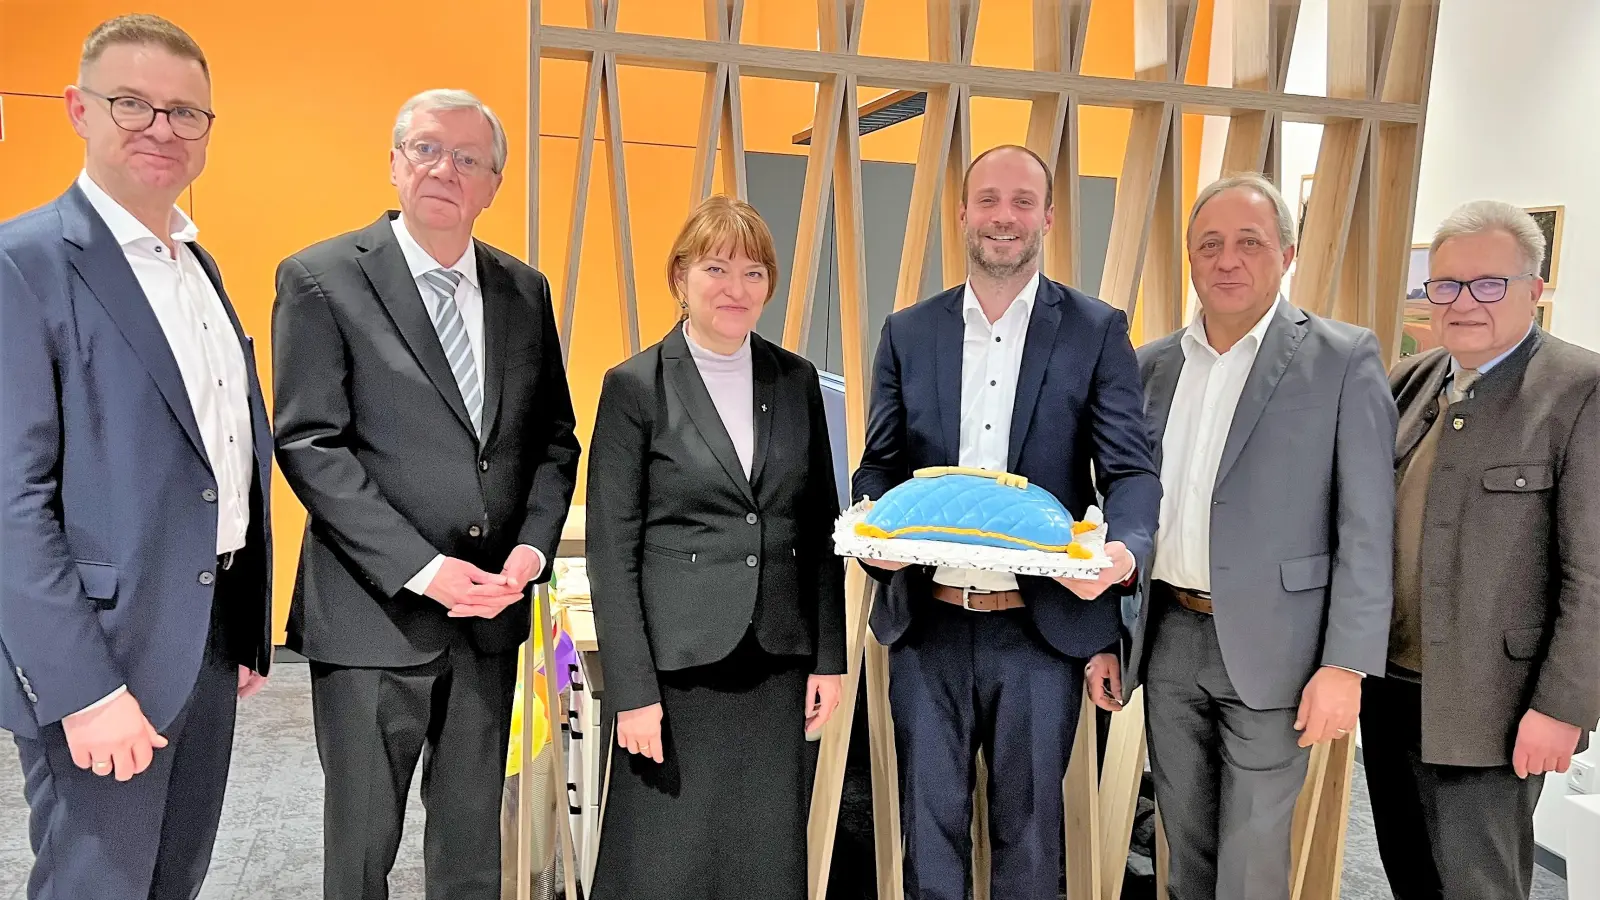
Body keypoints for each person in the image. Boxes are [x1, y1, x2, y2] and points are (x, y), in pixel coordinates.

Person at [271, 89, 581, 900]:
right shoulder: (321, 279)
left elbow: (553, 440)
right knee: (362, 848)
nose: (445, 168)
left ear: (492, 184)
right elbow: (311, 443)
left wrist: (530, 551)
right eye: (426, 149)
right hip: (374, 619)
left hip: (489, 618)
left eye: (467, 158)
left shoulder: (523, 290)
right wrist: (421, 567)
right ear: (395, 162)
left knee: (473, 846)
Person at [0, 14, 274, 900]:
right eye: (133, 104)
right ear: (79, 109)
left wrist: (237, 625)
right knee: (97, 887)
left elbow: (216, 455)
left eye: (186, 113)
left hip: (201, 637)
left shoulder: (198, 266)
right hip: (102, 655)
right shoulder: (25, 262)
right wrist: (81, 691)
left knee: (172, 879)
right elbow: (10, 502)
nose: (162, 128)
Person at [852, 145, 1162, 900]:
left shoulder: (1094, 330)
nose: (1004, 217)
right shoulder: (908, 331)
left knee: (1030, 842)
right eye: (988, 200)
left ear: (1047, 218)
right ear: (962, 213)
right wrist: (875, 543)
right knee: (929, 838)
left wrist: (1123, 556)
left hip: (1040, 631)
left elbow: (1129, 472)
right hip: (926, 624)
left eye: (1023, 202)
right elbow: (879, 467)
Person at [1134, 172, 1397, 900]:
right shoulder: (1153, 365)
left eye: (1249, 243)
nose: (1227, 260)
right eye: (1209, 244)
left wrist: (1347, 664)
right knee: (1182, 844)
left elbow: (1368, 525)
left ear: (1286, 255)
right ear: (1190, 257)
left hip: (1281, 649)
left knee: (1252, 862)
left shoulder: (1344, 360)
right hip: (1170, 637)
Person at [585, 195, 846, 900]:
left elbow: (820, 524)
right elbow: (613, 551)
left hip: (776, 662)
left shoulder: (795, 381)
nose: (737, 288)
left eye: (754, 273)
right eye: (717, 268)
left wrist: (830, 658)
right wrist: (633, 692)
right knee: (664, 864)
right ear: (680, 276)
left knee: (762, 862)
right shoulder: (635, 386)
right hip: (676, 673)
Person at [1368, 200, 1599, 900]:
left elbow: (1594, 573)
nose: (1463, 302)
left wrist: (1565, 709)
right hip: (1393, 689)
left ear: (1533, 288)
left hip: (1496, 708)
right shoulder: (1411, 379)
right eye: (1445, 285)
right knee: (1408, 871)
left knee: (1479, 886)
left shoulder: (1579, 391)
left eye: (1488, 283)